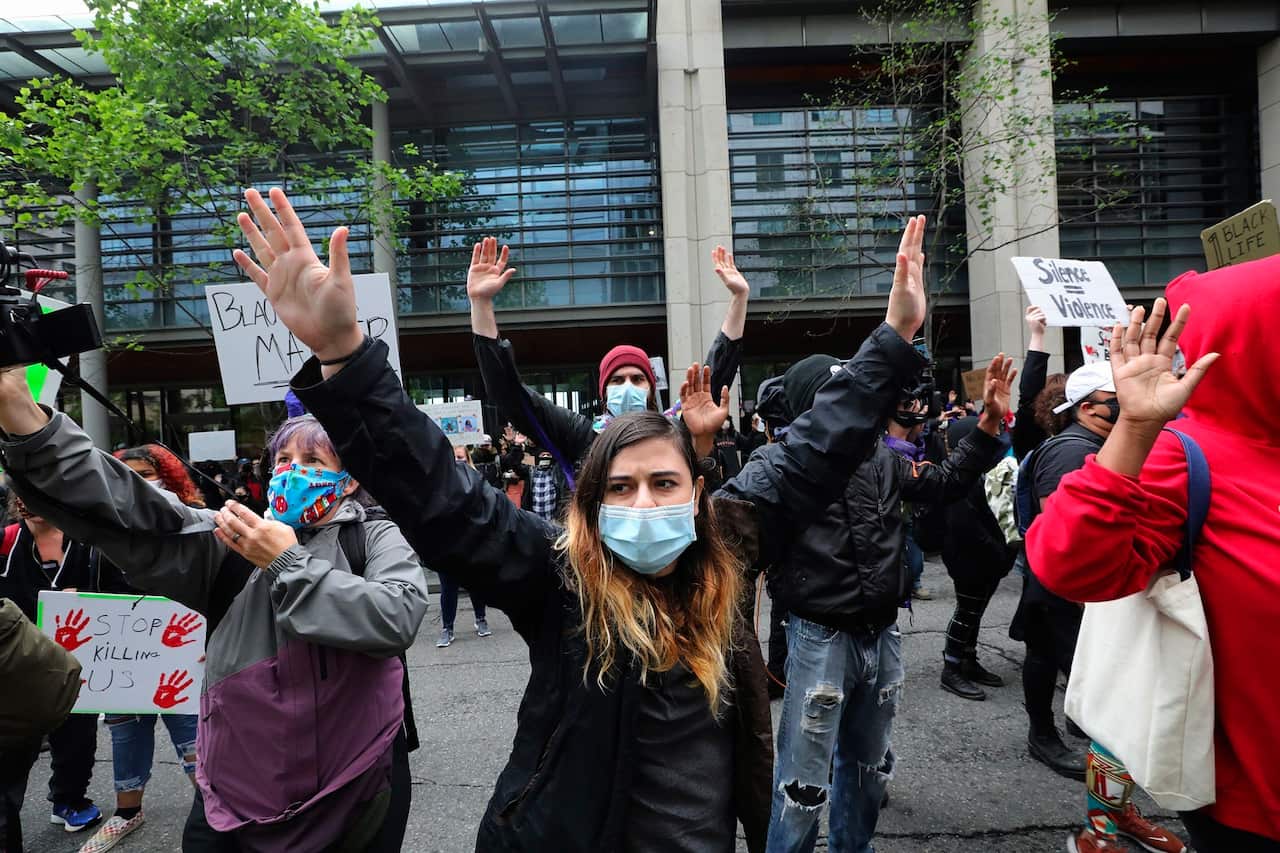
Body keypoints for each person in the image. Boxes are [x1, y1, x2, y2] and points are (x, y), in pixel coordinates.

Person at [231, 187, 934, 851]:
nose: (644, 502)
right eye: (621, 488)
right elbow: (441, 493)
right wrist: (344, 356)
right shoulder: (558, 578)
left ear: (698, 494)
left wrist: (897, 336)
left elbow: (819, 443)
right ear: (591, 508)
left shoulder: (735, 535)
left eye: (664, 482)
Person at [0, 403, 430, 853]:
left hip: (357, 786)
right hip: (235, 793)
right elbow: (135, 510)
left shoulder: (375, 538)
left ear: (351, 480)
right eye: (284, 461)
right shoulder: (229, 539)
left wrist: (284, 563)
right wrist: (31, 427)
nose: (293, 472)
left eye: (314, 462)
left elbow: (394, 618)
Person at [1030, 265, 1279, 852]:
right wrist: (1136, 431)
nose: (1105, 409)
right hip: (1255, 807)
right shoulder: (1158, 451)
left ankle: (1111, 819)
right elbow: (1065, 558)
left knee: (1112, 725)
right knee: (1110, 723)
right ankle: (1104, 823)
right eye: (1098, 403)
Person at [765, 352, 1012, 853]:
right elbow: (730, 530)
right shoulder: (781, 463)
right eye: (837, 398)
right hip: (818, 638)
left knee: (869, 771)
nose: (854, 409)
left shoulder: (882, 458)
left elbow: (942, 485)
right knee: (802, 789)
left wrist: (986, 424)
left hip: (882, 634)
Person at [1017, 359, 1186, 853]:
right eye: (1118, 395)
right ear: (1088, 407)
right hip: (1085, 598)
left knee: (1114, 714)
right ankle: (1101, 830)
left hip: (1102, 596)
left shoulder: (1104, 444)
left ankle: (1112, 818)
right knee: (1111, 713)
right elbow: (1069, 538)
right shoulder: (1073, 449)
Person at [467, 237, 751, 487]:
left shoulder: (675, 427)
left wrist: (739, 299)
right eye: (617, 380)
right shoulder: (581, 436)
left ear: (651, 390)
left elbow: (712, 379)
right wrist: (481, 306)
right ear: (603, 394)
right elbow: (510, 395)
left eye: (637, 379)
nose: (628, 386)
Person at [71, 444, 207, 853]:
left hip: (179, 654)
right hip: (120, 658)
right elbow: (88, 593)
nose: (135, 483)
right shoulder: (99, 534)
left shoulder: (195, 526)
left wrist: (210, 634)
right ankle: (127, 813)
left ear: (169, 479)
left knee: (192, 734)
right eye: (124, 474)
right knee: (125, 733)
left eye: (145, 474)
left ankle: (214, 811)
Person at [0, 494, 104, 847]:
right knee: (13, 751)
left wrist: (86, 597)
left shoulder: (89, 542)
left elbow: (120, 594)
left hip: (81, 664)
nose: (24, 500)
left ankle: (69, 800)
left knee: (78, 736)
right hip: (20, 671)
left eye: (34, 491)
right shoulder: (5, 540)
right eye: (19, 493)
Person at [933, 415, 1018, 701]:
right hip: (968, 558)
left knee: (975, 611)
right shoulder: (962, 479)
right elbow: (964, 524)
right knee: (967, 611)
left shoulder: (987, 470)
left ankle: (968, 659)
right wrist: (999, 551)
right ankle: (952, 667)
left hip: (989, 557)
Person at [439, 445, 493, 647]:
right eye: (453, 457)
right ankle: (447, 628)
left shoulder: (477, 482)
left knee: (475, 583)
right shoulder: (438, 482)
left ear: (468, 459)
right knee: (448, 588)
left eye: (460, 457)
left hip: (471, 542)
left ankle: (481, 619)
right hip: (446, 544)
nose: (456, 461)